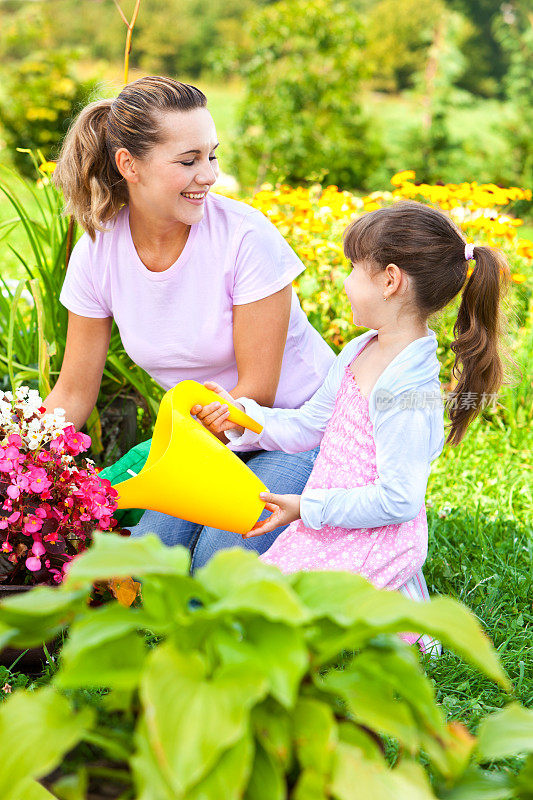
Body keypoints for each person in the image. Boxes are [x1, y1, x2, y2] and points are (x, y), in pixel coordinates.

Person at [44, 75, 335, 568]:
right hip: (207, 441)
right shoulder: (98, 252)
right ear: (128, 165)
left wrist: (179, 465)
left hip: (298, 432)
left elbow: (255, 395)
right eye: (188, 160)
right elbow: (72, 394)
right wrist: (21, 465)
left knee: (212, 575)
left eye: (212, 156)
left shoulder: (244, 238)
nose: (209, 175)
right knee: (150, 572)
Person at [194, 201, 507, 649]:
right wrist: (243, 416)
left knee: (277, 629)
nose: (345, 282)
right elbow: (310, 425)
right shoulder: (361, 350)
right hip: (330, 526)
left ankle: (406, 611)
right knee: (251, 608)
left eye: (355, 270)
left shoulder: (405, 388)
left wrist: (306, 507)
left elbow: (398, 501)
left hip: (371, 536)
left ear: (390, 280)